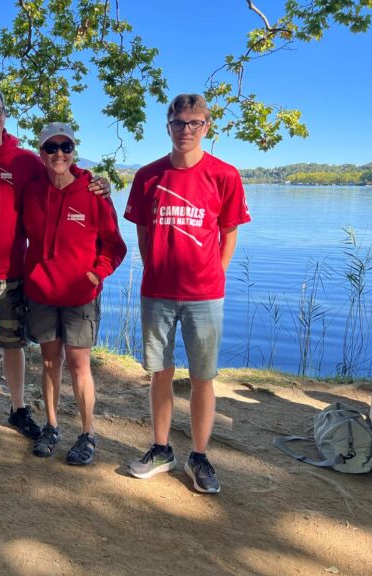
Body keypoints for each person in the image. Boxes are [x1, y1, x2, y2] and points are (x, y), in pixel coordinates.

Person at [0, 86, 110, 447]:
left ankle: (17, 408)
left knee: (14, 345)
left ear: (5, 115)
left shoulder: (25, 160)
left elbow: (60, 173)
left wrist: (95, 182)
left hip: (16, 273)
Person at [123, 94, 251, 493]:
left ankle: (199, 456)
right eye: (179, 123)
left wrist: (216, 274)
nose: (186, 130)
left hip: (205, 295)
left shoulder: (224, 175)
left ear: (207, 127)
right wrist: (155, 266)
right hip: (157, 291)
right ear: (168, 126)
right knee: (159, 372)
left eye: (195, 123)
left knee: (202, 377)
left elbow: (229, 233)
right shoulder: (147, 176)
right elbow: (143, 232)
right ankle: (161, 449)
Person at [23, 122, 126, 465]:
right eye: (51, 147)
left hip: (80, 293)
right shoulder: (31, 191)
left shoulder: (93, 192)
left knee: (80, 365)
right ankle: (51, 426)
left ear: (73, 151)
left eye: (65, 147)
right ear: (41, 153)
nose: (59, 154)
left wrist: (97, 274)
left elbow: (114, 246)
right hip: (41, 291)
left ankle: (87, 433)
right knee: (50, 360)